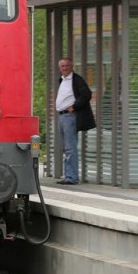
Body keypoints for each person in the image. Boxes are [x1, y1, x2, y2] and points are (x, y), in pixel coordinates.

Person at [55, 57, 92, 185]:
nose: (65, 68)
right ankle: (68, 175)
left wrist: (74, 106)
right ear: (60, 68)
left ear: (72, 67)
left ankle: (72, 177)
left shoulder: (76, 80)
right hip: (61, 116)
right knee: (65, 147)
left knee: (70, 148)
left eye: (67, 66)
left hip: (70, 117)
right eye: (62, 66)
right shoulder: (62, 80)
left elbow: (87, 94)